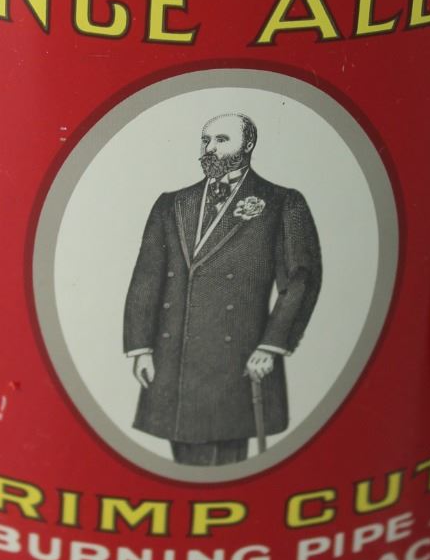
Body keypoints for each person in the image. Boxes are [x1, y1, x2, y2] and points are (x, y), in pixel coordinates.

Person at [122, 112, 322, 464]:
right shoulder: (171, 203)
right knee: (185, 462)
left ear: (248, 144)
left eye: (221, 139)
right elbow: (147, 277)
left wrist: (271, 346)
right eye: (205, 140)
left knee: (224, 465)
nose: (210, 148)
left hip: (238, 360)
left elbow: (301, 279)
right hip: (173, 359)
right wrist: (141, 348)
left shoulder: (281, 202)